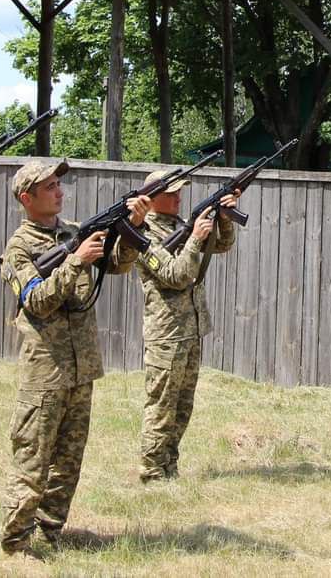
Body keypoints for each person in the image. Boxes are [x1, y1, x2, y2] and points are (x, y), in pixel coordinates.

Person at [0, 159, 149, 555]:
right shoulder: (19, 247)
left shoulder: (73, 231)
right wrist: (74, 261)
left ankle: (48, 533)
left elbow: (116, 265)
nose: (59, 191)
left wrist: (132, 230)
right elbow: (35, 301)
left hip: (81, 367)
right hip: (46, 370)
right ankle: (14, 543)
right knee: (33, 460)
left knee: (68, 462)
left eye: (58, 185)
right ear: (27, 198)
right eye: (49, 187)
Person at [135, 173, 239, 482]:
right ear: (153, 197)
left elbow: (222, 245)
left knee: (182, 405)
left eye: (180, 191)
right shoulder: (142, 233)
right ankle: (151, 472)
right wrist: (194, 238)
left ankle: (170, 465)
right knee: (162, 405)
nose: (179, 197)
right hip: (166, 333)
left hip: (192, 327)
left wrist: (224, 218)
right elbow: (175, 275)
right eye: (172, 193)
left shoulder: (178, 224)